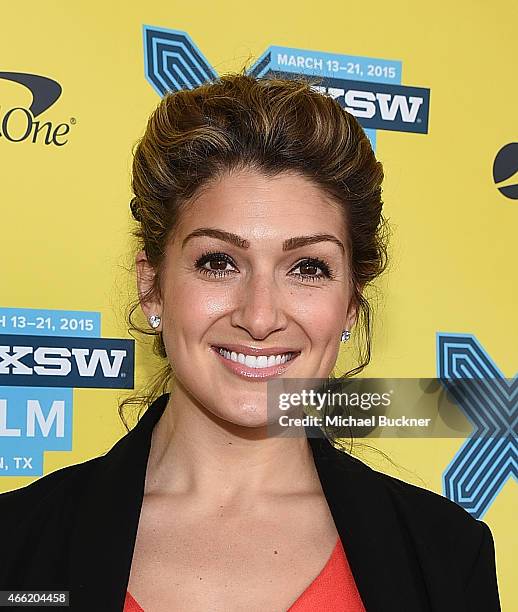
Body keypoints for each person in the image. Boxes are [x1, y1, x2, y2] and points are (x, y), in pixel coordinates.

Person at [0, 72, 500, 612]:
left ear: (351, 303)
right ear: (153, 287)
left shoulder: (447, 556)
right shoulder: (16, 548)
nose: (259, 316)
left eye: (308, 267)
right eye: (219, 262)